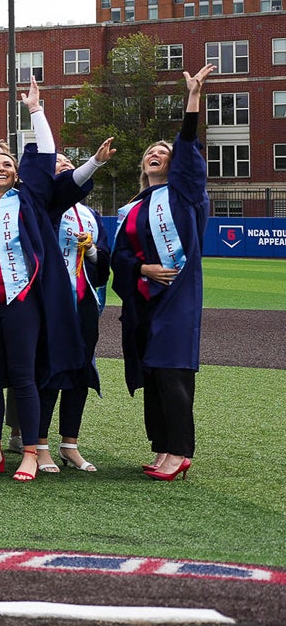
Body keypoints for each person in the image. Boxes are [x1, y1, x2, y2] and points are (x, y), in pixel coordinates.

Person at [0, 81, 81, 483]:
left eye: (8, 164)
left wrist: (36, 110)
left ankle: (28, 451)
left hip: (20, 299)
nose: (3, 168)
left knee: (23, 375)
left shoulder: (27, 201)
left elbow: (44, 158)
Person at [111, 64, 213, 482]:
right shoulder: (133, 207)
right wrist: (142, 267)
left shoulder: (185, 194)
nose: (156, 155)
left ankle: (180, 452)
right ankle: (161, 447)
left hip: (177, 299)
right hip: (144, 299)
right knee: (152, 373)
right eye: (150, 154)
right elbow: (119, 256)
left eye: (164, 154)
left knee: (172, 372)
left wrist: (193, 100)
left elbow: (188, 150)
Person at [34, 139, 116, 474]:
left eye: (68, 161)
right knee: (51, 372)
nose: (64, 164)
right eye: (57, 162)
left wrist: (93, 252)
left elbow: (103, 267)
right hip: (50, 300)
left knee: (81, 372)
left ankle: (70, 444)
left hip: (84, 301)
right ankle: (39, 445)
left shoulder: (90, 215)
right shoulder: (44, 206)